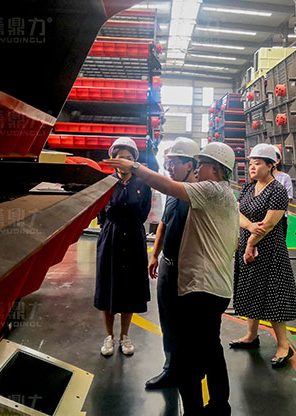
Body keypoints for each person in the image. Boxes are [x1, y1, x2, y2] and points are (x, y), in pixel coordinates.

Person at [104, 142, 238, 416]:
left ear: (215, 168)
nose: (198, 168)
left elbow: (164, 185)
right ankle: (219, 407)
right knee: (211, 349)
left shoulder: (209, 190)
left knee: (188, 358)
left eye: (202, 164)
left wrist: (134, 167)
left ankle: (194, 411)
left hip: (200, 288)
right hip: (214, 286)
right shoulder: (225, 195)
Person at [230, 143, 296, 369]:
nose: (252, 167)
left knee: (273, 296)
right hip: (248, 247)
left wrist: (251, 242)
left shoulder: (277, 191)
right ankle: (251, 335)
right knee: (250, 290)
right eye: (251, 163)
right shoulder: (248, 188)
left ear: (270, 166)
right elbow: (237, 212)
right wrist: (250, 227)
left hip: (270, 251)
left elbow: (269, 224)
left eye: (258, 163)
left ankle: (284, 346)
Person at [144, 137, 199, 390]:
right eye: (168, 163)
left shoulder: (198, 194)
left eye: (174, 162)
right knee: (167, 318)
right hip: (167, 264)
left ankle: (190, 369)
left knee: (189, 322)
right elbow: (164, 224)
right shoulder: (173, 192)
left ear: (190, 165)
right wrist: (155, 255)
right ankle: (171, 368)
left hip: (190, 269)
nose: (169, 167)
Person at [95, 137, 152, 356]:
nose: (125, 161)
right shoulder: (106, 184)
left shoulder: (143, 184)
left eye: (129, 158)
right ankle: (109, 336)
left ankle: (124, 336)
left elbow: (143, 213)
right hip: (111, 238)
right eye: (121, 157)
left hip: (134, 238)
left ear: (134, 161)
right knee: (108, 286)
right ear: (113, 160)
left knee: (130, 288)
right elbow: (101, 215)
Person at [271, 145, 294, 237]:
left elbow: (288, 198)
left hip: (280, 217)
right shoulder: (260, 178)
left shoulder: (285, 178)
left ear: (277, 160)